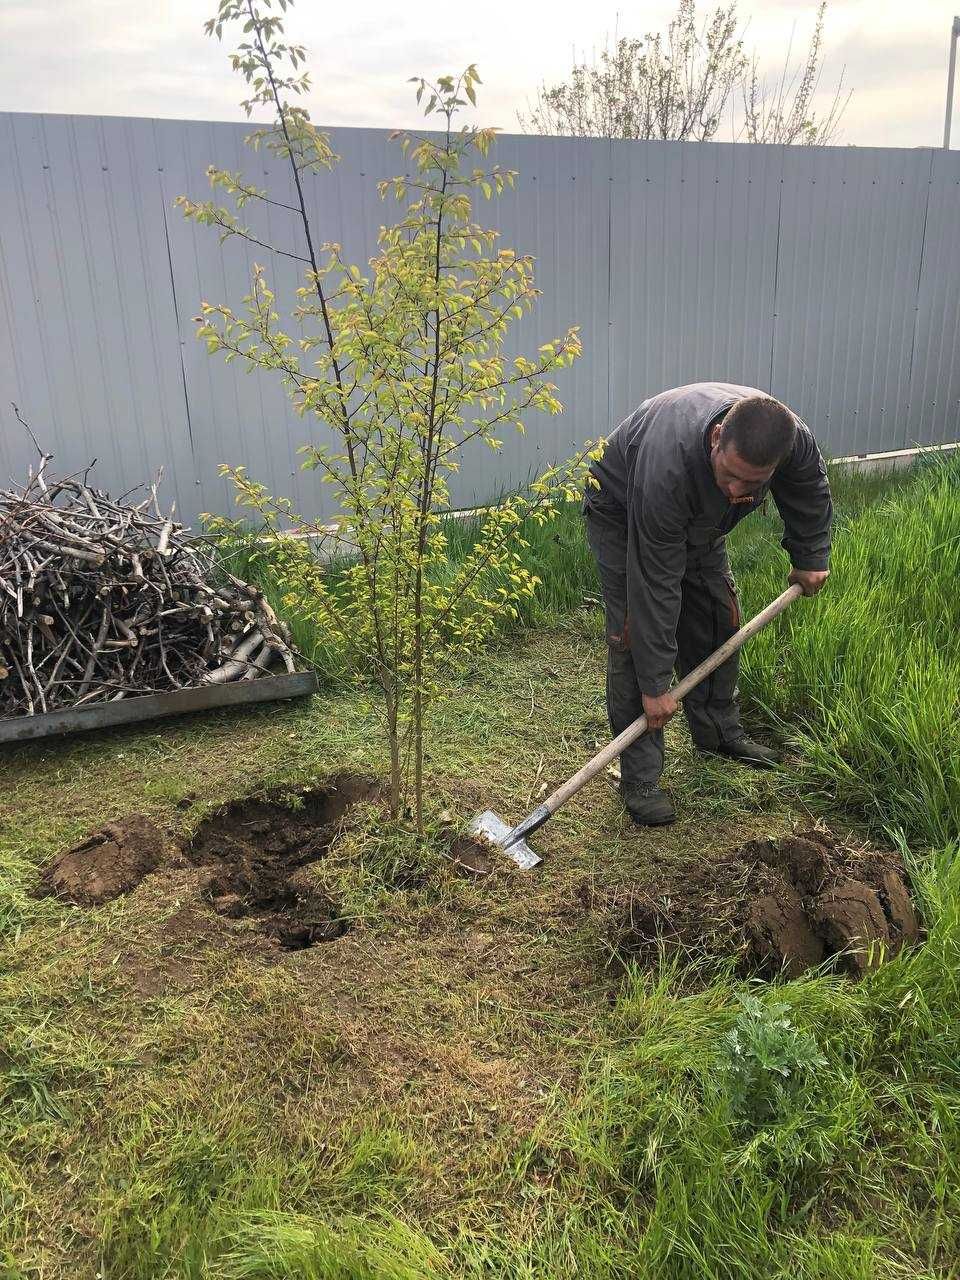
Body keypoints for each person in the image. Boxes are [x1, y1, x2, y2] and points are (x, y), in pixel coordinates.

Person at [583, 381, 832, 827]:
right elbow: (655, 585)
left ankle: (718, 732)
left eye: (753, 483)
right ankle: (640, 778)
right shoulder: (667, 466)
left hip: (701, 521)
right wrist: (656, 686)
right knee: (631, 633)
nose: (738, 490)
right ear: (717, 437)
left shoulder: (790, 439)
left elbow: (809, 488)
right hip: (622, 508)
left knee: (719, 616)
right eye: (730, 474)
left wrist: (810, 556)